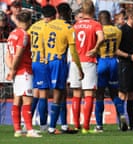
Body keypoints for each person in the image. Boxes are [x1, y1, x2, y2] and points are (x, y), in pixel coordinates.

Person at [43, 2, 83, 134]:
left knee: (63, 92)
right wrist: (79, 68)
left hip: (48, 60)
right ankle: (52, 127)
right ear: (67, 13)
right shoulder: (68, 28)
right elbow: (73, 51)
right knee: (58, 93)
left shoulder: (48, 25)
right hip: (58, 62)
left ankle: (64, 125)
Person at [5, 10, 42, 138]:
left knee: (17, 100)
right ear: (29, 21)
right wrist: (14, 69)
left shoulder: (12, 34)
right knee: (27, 100)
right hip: (24, 70)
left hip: (16, 71)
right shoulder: (24, 35)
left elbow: (7, 54)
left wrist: (11, 69)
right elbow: (19, 53)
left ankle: (17, 130)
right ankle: (30, 130)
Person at [73, 0, 104, 134]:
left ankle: (76, 125)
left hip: (76, 61)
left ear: (82, 11)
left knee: (76, 93)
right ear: (93, 11)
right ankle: (85, 126)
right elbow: (101, 38)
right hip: (89, 60)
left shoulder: (76, 25)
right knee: (89, 93)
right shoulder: (96, 24)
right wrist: (95, 48)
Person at [94, 10, 126, 132]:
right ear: (110, 18)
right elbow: (118, 47)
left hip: (102, 61)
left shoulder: (99, 31)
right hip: (113, 61)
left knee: (100, 94)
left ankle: (99, 126)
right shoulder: (118, 31)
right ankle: (122, 114)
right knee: (114, 93)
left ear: (99, 19)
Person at [28, 4, 56, 132]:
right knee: (43, 94)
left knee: (35, 93)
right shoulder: (48, 27)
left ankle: (27, 123)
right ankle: (43, 125)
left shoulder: (34, 26)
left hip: (33, 61)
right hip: (42, 62)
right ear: (51, 17)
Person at [116, 7, 133, 131]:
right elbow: (116, 50)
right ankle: (121, 122)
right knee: (122, 94)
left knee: (132, 94)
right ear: (131, 17)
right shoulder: (122, 31)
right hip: (124, 65)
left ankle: (132, 123)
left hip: (132, 65)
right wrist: (128, 56)